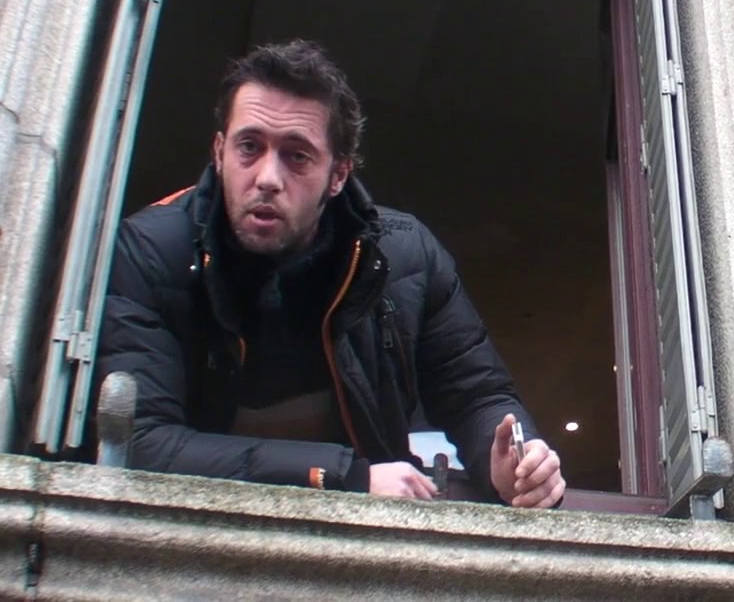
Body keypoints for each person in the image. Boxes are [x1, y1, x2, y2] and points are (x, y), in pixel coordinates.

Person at [96, 40, 565, 508]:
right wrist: (344, 477)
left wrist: (511, 465)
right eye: (249, 146)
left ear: (338, 175)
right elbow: (142, 443)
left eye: (297, 156)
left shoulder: (405, 255)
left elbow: (477, 396)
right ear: (219, 152)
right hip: (194, 535)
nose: (267, 177)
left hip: (361, 549)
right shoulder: (152, 250)